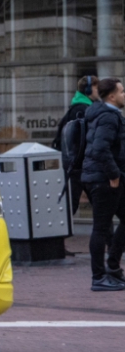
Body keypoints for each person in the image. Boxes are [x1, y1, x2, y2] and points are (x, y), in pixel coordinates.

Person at [81, 77, 125, 292]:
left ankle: (113, 266)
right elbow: (100, 148)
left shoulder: (100, 113)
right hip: (104, 179)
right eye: (122, 92)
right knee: (100, 228)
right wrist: (114, 174)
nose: (124, 95)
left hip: (98, 177)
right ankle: (98, 277)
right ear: (112, 96)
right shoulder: (108, 116)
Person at [53, 75, 98, 214]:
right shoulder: (83, 110)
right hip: (80, 166)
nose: (99, 91)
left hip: (77, 165)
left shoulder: (78, 107)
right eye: (97, 88)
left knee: (98, 206)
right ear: (88, 89)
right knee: (71, 204)